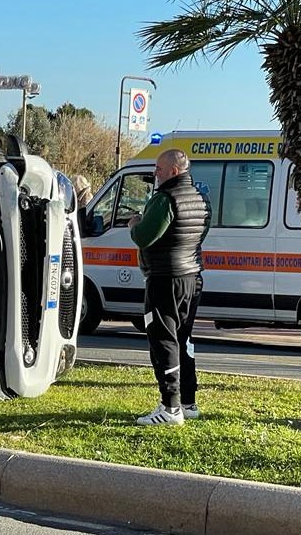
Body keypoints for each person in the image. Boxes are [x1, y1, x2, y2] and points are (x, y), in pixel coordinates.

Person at [129, 148, 211, 426]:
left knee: (163, 340)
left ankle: (170, 407)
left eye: (159, 169)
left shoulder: (164, 199)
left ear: (173, 171)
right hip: (193, 277)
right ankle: (188, 402)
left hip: (165, 278)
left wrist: (134, 224)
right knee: (184, 339)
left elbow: (144, 236)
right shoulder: (201, 200)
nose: (155, 173)